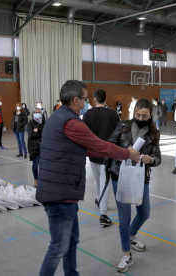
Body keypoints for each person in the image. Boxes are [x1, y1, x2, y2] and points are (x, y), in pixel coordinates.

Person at [36, 80, 140, 276]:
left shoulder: (57, 117)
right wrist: (128, 153)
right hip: (60, 193)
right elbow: (101, 146)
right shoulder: (71, 122)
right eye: (84, 99)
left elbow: (76, 148)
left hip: (62, 190)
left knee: (72, 240)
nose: (86, 103)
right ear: (76, 100)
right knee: (59, 245)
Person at [107, 98, 161, 273]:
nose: (140, 118)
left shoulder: (154, 133)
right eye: (137, 115)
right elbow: (109, 145)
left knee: (144, 213)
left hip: (140, 179)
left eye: (144, 116)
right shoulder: (123, 126)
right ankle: (126, 254)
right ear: (133, 113)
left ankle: (131, 235)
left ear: (150, 115)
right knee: (124, 218)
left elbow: (158, 158)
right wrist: (125, 153)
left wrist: (150, 159)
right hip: (120, 176)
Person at [83, 89, 120, 226]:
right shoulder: (113, 113)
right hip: (107, 154)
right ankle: (103, 214)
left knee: (99, 180)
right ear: (105, 99)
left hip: (93, 153)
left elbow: (84, 134)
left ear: (95, 99)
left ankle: (99, 200)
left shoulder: (88, 114)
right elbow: (119, 133)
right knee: (105, 183)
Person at [28, 108, 45, 188]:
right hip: (34, 147)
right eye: (36, 112)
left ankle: (43, 179)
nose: (38, 114)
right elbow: (31, 135)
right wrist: (39, 133)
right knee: (35, 165)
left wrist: (37, 131)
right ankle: (36, 179)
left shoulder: (44, 123)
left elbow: (45, 134)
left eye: (39, 112)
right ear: (32, 114)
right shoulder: (30, 123)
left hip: (44, 147)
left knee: (44, 165)